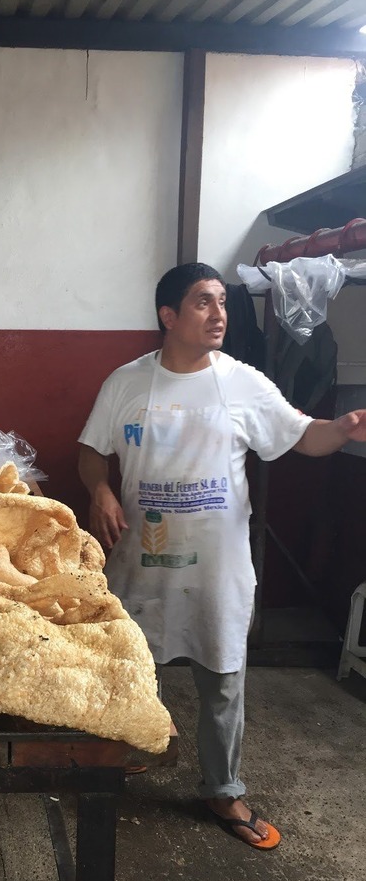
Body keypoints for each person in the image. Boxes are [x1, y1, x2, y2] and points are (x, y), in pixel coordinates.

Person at [78, 262, 366, 850]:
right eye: (204, 303)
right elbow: (90, 450)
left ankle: (223, 788)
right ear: (168, 316)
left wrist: (340, 428)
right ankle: (132, 747)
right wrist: (100, 489)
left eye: (221, 304)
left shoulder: (243, 383)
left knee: (223, 676)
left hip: (217, 564)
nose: (219, 316)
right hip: (141, 556)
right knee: (134, 663)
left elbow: (301, 435)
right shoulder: (126, 383)